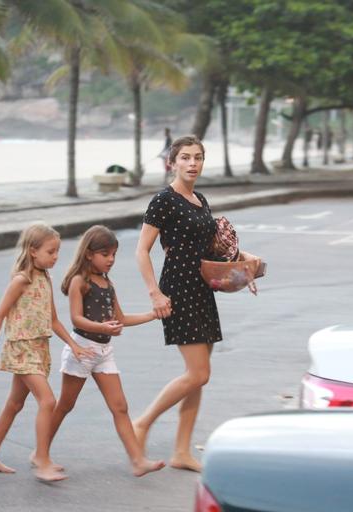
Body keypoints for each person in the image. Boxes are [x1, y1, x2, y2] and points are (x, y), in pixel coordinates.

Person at [132, 135, 221, 473]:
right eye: (185, 157)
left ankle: (182, 451)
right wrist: (155, 293)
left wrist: (245, 264)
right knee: (198, 372)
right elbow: (142, 250)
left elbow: (211, 248)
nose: (192, 163)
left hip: (203, 289)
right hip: (179, 290)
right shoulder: (163, 200)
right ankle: (142, 423)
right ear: (172, 162)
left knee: (198, 377)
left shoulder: (200, 199)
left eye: (198, 157)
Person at [47, 225, 165, 477]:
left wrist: (152, 315)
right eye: (105, 254)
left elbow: (120, 318)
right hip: (82, 351)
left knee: (120, 407)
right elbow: (76, 319)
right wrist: (102, 326)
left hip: (103, 353)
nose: (111, 259)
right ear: (89, 254)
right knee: (65, 405)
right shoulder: (81, 281)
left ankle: (137, 460)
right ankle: (40, 452)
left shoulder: (108, 283)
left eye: (113, 254)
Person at [0, 222, 93, 482]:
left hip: (39, 347)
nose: (55, 257)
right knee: (48, 401)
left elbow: (53, 320)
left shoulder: (45, 278)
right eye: (50, 252)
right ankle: (41, 459)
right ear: (33, 251)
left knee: (15, 403)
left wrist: (73, 344)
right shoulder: (22, 280)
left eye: (57, 252)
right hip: (22, 347)